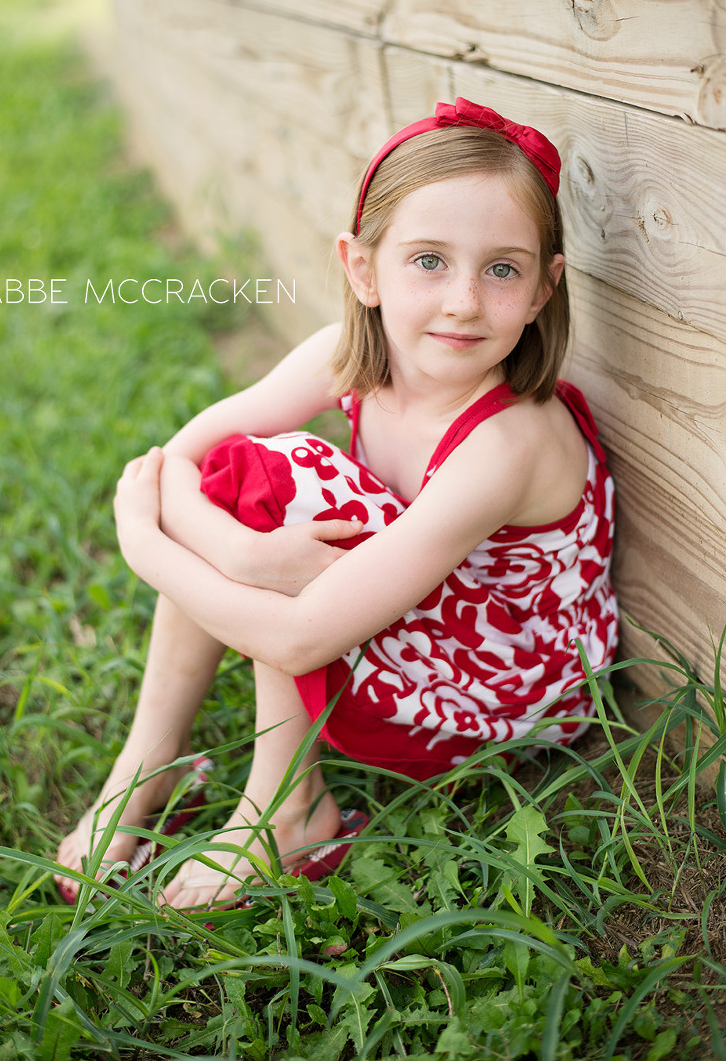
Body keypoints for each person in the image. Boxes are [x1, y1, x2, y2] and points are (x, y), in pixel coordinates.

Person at [54, 97, 618, 910]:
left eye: (502, 268)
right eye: (429, 260)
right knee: (244, 483)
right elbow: (184, 459)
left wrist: (150, 548)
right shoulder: (351, 355)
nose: (463, 300)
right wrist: (244, 554)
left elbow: (298, 637)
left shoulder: (507, 444)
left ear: (542, 290)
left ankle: (288, 814)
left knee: (278, 488)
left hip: (494, 697)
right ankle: (147, 763)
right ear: (363, 268)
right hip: (413, 627)